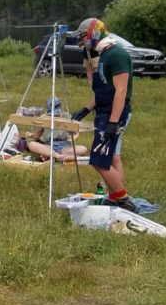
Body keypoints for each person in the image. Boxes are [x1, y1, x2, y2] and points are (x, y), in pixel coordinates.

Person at [70, 17, 138, 212]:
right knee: (111, 158)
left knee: (98, 160)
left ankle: (124, 201)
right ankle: (114, 197)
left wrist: (113, 123)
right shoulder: (103, 54)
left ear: (94, 33)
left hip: (114, 114)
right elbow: (104, 91)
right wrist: (85, 109)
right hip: (104, 111)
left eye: (83, 37)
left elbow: (121, 91)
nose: (82, 42)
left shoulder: (116, 54)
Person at [26, 97, 88, 162]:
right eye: (52, 114)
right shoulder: (44, 118)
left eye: (56, 114)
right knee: (31, 144)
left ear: (60, 109)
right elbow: (37, 135)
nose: (55, 116)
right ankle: (57, 156)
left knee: (83, 149)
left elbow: (76, 133)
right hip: (48, 145)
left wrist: (74, 137)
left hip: (65, 146)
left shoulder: (67, 117)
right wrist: (31, 134)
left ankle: (49, 155)